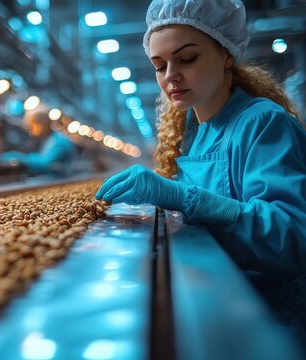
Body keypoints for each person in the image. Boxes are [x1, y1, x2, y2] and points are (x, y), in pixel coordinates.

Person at [95, 0, 306, 345]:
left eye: (187, 58)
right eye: (159, 66)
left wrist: (182, 196)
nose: (170, 76)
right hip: (217, 297)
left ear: (226, 54)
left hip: (270, 314)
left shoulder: (263, 123)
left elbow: (294, 239)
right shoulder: (191, 129)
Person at [0, 107, 76, 176]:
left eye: (32, 127)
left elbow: (46, 164)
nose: (30, 132)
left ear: (41, 125)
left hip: (61, 181)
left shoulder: (59, 142)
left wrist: (19, 157)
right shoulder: (49, 139)